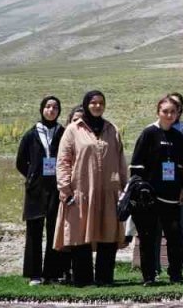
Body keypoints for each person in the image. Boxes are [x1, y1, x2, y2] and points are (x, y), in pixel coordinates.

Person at [55, 90, 127, 287]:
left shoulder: (112, 129)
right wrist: (65, 187)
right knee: (80, 235)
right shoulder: (73, 130)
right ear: (86, 104)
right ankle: (83, 279)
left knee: (108, 233)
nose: (97, 106)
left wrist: (123, 187)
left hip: (108, 191)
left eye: (101, 103)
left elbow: (120, 159)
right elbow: (63, 161)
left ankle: (105, 278)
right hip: (82, 192)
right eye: (93, 102)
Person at [129, 96, 183, 286]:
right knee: (148, 238)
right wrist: (140, 188)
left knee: (175, 237)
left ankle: (175, 275)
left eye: (173, 112)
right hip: (149, 197)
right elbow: (136, 166)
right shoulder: (148, 133)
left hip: (171, 196)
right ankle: (149, 276)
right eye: (165, 111)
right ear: (158, 112)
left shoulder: (179, 137)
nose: (169, 115)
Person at [17, 96, 67, 285]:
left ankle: (52, 273)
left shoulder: (62, 132)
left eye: (55, 107)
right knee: (34, 231)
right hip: (36, 189)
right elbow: (20, 161)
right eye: (48, 107)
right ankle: (34, 274)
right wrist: (31, 176)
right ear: (42, 109)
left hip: (56, 187)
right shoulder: (31, 134)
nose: (51, 110)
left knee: (54, 229)